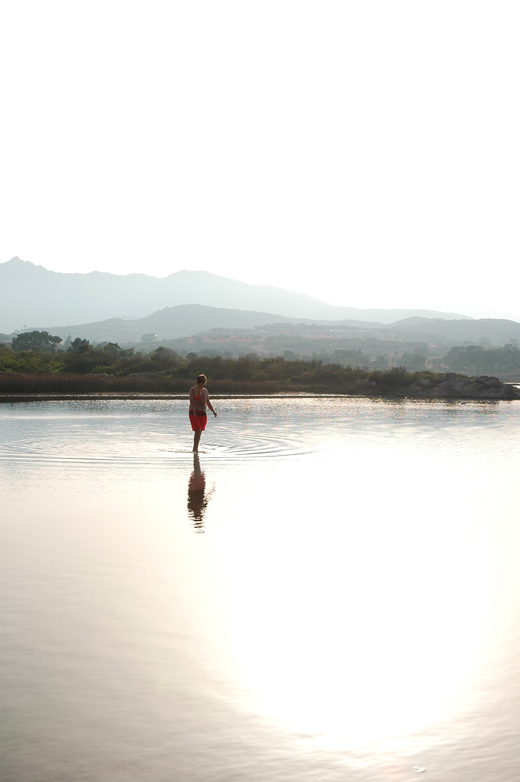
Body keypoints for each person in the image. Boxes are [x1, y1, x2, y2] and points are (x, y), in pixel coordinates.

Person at [189, 374, 217, 452]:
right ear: (198, 381)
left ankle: (196, 449)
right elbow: (192, 401)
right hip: (194, 413)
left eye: (204, 381)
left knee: (200, 432)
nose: (203, 383)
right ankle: (194, 449)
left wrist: (213, 411)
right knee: (197, 430)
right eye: (201, 381)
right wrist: (200, 401)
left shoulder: (205, 391)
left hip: (202, 413)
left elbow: (208, 402)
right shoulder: (193, 389)